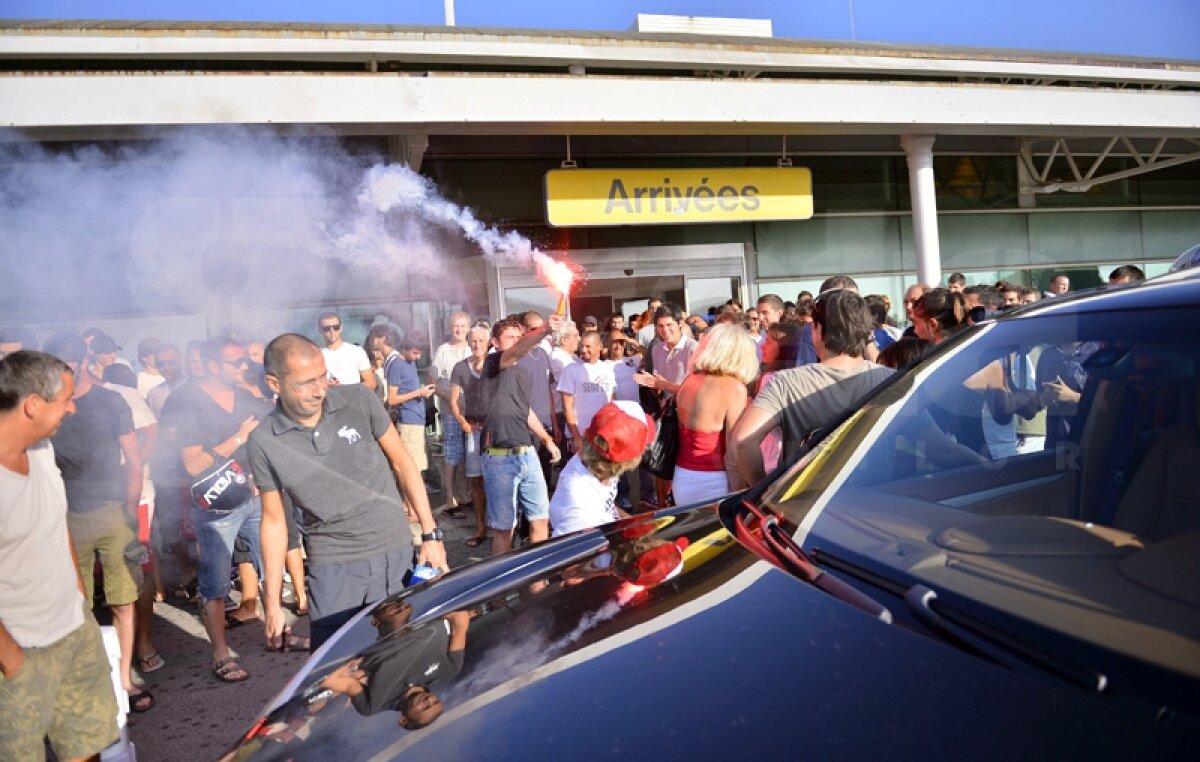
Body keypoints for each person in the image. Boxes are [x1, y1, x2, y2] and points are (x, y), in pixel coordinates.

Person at [249, 334, 448, 651]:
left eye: (321, 377)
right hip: (332, 567)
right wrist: (271, 603)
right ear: (275, 384)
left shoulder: (359, 400)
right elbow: (273, 522)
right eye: (305, 383)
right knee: (337, 667)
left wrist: (430, 535)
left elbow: (403, 463)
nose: (318, 390)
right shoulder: (263, 441)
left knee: (408, 652)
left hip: (393, 553)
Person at [0, 350, 120, 761]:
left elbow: (56, 520)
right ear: (33, 404)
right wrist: (13, 662)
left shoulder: (42, 449)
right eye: (65, 399)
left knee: (86, 749)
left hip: (74, 631)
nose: (72, 408)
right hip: (18, 652)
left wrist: (80, 598)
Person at [42, 332, 152, 713]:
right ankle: (91, 684)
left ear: (80, 361)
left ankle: (123, 679)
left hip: (112, 511)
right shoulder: (45, 405)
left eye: (65, 366)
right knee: (78, 604)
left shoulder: (110, 401)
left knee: (124, 599)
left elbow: (134, 461)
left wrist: (130, 513)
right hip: (66, 517)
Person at [164, 338, 272, 683]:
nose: (245, 367)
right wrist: (238, 438)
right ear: (213, 366)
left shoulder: (243, 394)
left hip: (252, 496)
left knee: (269, 565)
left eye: (244, 361)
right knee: (215, 583)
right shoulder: (185, 400)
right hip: (215, 506)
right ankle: (221, 654)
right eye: (236, 362)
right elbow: (194, 464)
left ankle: (277, 634)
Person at [733, 290, 894, 485]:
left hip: (803, 504)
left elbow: (743, 441)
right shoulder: (891, 380)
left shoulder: (785, 383)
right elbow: (930, 441)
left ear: (817, 330)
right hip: (872, 498)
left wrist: (764, 491)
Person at [479, 316, 564, 556]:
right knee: (505, 528)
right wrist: (545, 329)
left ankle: (537, 583)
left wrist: (546, 440)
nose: (516, 342)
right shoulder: (493, 362)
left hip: (527, 454)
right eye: (510, 337)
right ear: (495, 342)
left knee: (540, 521)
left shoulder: (522, 373)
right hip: (499, 457)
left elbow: (525, 410)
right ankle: (501, 588)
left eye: (519, 336)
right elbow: (518, 351)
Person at [102, 363, 165, 674]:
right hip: (83, 502)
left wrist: (134, 474)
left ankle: (145, 643)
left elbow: (151, 435)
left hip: (135, 497)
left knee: (138, 569)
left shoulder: (123, 395)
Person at [672, 324, 758, 506]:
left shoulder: (689, 380)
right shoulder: (734, 388)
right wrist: (740, 494)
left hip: (682, 476)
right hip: (714, 482)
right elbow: (733, 454)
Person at [550, 401, 656, 537]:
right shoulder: (580, 514)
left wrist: (631, 523)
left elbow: (607, 506)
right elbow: (573, 555)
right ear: (626, 461)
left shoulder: (598, 461)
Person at [635, 303, 698, 507]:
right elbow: (660, 386)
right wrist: (652, 385)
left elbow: (695, 390)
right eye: (660, 326)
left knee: (681, 467)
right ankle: (663, 509)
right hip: (667, 416)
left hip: (689, 417)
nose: (665, 330)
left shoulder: (693, 348)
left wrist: (663, 384)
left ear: (680, 324)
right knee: (660, 465)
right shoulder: (656, 349)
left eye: (669, 325)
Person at [376, 328, 435, 522]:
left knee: (417, 467)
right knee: (413, 468)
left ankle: (408, 507)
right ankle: (412, 510)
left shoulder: (407, 363)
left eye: (420, 353)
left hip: (415, 420)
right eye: (416, 352)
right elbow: (392, 398)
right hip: (408, 422)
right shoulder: (398, 365)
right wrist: (419, 393)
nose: (418, 357)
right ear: (406, 347)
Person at [449, 326, 491, 548]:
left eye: (481, 341)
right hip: (473, 428)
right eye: (473, 341)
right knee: (476, 480)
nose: (477, 345)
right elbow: (454, 400)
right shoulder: (460, 367)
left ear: (489, 341)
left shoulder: (495, 364)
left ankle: (503, 525)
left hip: (496, 429)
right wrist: (462, 422)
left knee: (499, 478)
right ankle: (481, 526)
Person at [430, 312, 472, 517]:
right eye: (456, 326)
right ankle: (449, 498)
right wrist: (450, 398)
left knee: (467, 454)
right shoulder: (443, 351)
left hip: (472, 410)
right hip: (450, 411)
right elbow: (432, 381)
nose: (459, 330)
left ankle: (464, 495)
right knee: (451, 454)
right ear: (450, 328)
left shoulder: (472, 346)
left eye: (463, 326)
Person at [519, 311, 561, 491]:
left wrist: (555, 423)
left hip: (546, 425)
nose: (539, 332)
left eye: (540, 328)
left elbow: (549, 391)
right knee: (529, 479)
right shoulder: (517, 357)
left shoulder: (543, 354)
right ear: (523, 330)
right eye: (534, 329)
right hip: (527, 426)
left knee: (545, 476)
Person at [558, 330, 616, 455]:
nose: (583, 350)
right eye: (581, 346)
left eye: (588, 346)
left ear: (599, 347)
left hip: (602, 434)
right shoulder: (571, 370)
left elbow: (611, 400)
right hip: (582, 436)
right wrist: (576, 436)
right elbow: (567, 407)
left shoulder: (607, 369)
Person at [317, 312, 376, 389]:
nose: (332, 331)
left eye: (336, 327)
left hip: (353, 399)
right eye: (326, 328)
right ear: (320, 330)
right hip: (329, 399)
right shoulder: (317, 355)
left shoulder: (356, 351)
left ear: (341, 328)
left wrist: (345, 389)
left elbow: (371, 383)